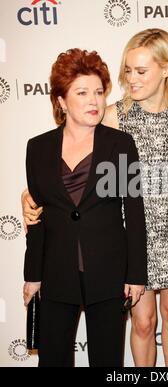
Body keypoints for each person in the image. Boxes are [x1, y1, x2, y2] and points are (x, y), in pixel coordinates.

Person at [22, 29, 168, 367]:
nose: (131, 79)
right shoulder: (111, 114)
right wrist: (29, 196)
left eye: (141, 71)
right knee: (143, 321)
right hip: (129, 228)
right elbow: (73, 167)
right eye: (127, 70)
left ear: (166, 69)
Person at [23, 48, 147, 367]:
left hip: (108, 273)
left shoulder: (119, 144)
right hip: (55, 273)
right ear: (62, 101)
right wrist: (32, 275)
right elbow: (36, 218)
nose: (94, 101)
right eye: (82, 93)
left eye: (98, 92)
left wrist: (135, 275)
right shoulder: (37, 149)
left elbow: (133, 213)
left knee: (107, 362)